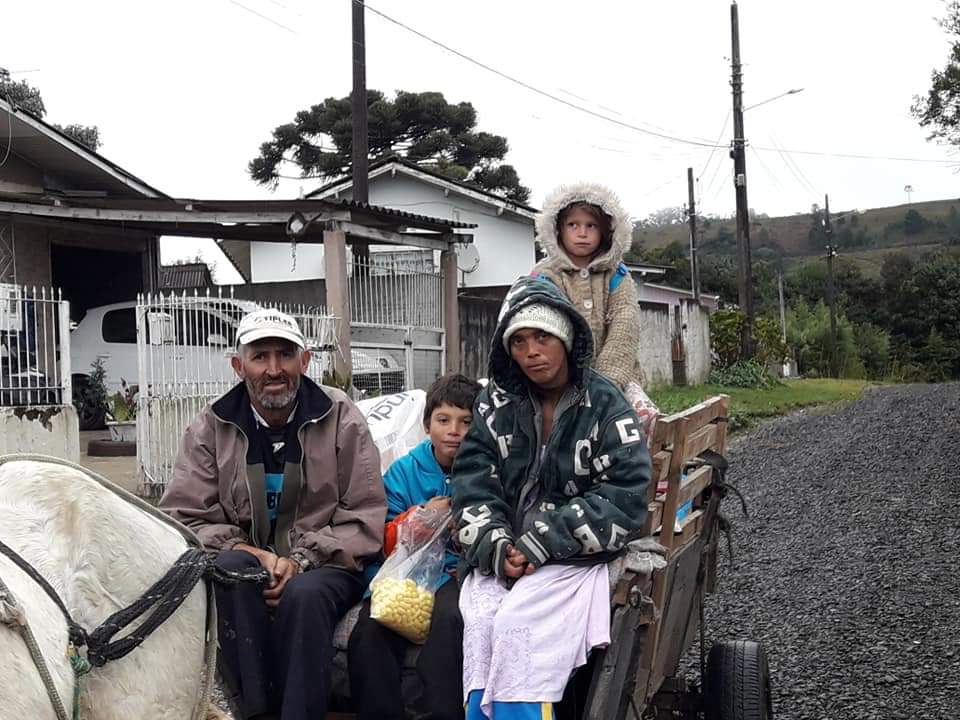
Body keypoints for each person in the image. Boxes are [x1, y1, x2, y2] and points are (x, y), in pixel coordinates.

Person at [160, 308, 386, 720]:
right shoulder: (211, 426)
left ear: (305, 360)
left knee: (305, 594)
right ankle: (256, 713)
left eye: (285, 354)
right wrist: (253, 553)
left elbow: (364, 513)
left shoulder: (341, 418)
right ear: (238, 364)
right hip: (248, 560)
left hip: (326, 564)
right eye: (260, 356)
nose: (274, 369)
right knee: (232, 571)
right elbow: (183, 516)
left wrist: (301, 561)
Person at [452, 276, 652, 720]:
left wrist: (543, 542)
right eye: (519, 341)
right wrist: (497, 546)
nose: (530, 352)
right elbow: (471, 483)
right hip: (506, 555)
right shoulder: (494, 404)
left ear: (567, 336)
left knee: (516, 627)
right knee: (481, 623)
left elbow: (626, 498)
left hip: (572, 559)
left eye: (542, 336)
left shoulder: (606, 406)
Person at [348, 373, 482, 720]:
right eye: (444, 420)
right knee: (369, 632)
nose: (455, 430)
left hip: (458, 576)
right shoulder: (405, 471)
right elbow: (381, 534)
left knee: (450, 622)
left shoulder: (486, 472)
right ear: (427, 425)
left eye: (467, 421)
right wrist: (418, 519)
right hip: (405, 578)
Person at [532, 182, 659, 440]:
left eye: (591, 226)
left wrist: (607, 379)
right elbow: (547, 325)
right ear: (557, 230)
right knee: (551, 430)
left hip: (617, 379)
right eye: (573, 225)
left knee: (644, 421)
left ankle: (636, 476)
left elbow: (625, 322)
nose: (582, 233)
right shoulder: (545, 276)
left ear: (606, 231)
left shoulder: (617, 275)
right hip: (561, 380)